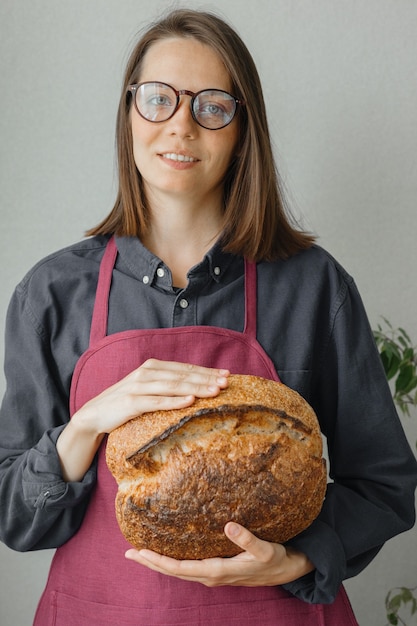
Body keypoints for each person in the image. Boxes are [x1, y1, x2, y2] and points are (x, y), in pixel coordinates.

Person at [0, 8, 416, 626]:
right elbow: (15, 514)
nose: (181, 127)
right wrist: (84, 427)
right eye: (158, 100)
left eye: (211, 106)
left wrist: (296, 559)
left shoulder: (312, 286)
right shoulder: (53, 293)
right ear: (129, 113)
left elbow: (386, 485)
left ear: (242, 127)